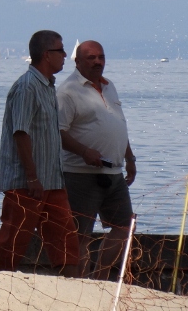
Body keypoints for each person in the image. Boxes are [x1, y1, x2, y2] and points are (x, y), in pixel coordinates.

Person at [0, 30, 79, 276]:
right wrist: (31, 176)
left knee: (65, 240)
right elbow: (21, 132)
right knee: (12, 241)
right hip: (26, 183)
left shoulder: (48, 87)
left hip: (52, 181)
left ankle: (71, 288)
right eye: (60, 50)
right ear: (46, 54)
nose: (65, 56)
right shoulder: (27, 86)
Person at [57, 40, 137, 279]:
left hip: (114, 173)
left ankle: (100, 278)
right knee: (81, 235)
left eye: (101, 57)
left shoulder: (109, 85)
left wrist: (130, 157)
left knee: (124, 227)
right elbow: (57, 132)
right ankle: (81, 284)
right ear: (77, 61)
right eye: (91, 58)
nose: (98, 62)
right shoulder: (67, 91)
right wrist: (83, 151)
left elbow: (118, 124)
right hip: (80, 174)